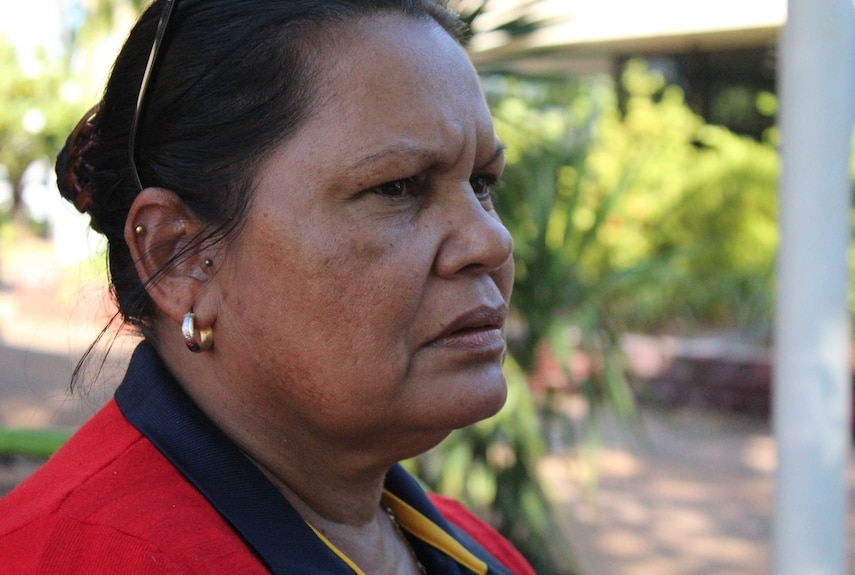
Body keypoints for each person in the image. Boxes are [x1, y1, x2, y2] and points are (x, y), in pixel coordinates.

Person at [0, 1, 536, 573]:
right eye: (397, 187)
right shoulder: (79, 555)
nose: (491, 242)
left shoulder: (478, 550)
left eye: (482, 183)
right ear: (176, 257)